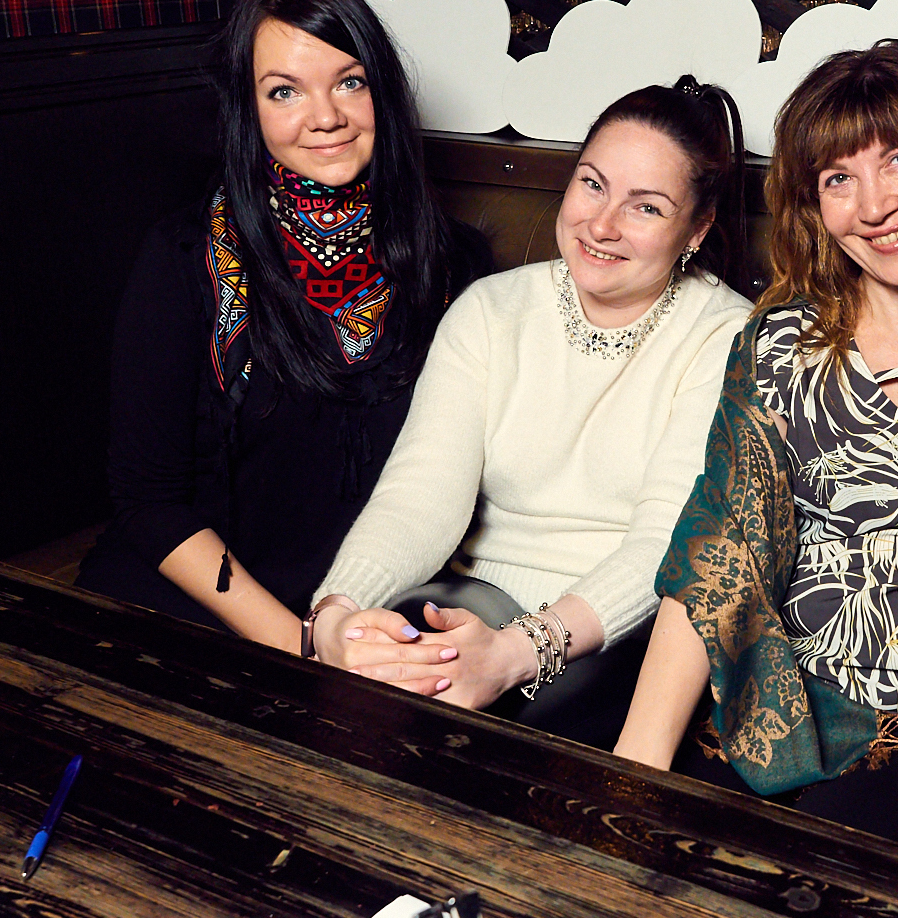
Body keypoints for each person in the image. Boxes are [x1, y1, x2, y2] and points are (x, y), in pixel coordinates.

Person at [614, 42, 898, 861]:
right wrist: (633, 770)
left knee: (802, 877)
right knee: (648, 855)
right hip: (790, 701)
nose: (874, 205)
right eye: (838, 178)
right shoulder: (782, 346)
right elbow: (720, 551)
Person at [303, 78, 754, 749]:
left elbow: (666, 549)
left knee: (471, 740)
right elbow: (419, 500)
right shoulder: (491, 311)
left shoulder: (727, 336)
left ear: (697, 229)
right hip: (467, 607)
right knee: (372, 684)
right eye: (593, 185)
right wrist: (338, 615)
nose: (602, 225)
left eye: (646, 207)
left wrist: (515, 653)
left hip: (616, 635)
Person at [79, 0, 490, 648]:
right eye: (285, 91)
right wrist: (298, 645)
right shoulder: (185, 258)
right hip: (198, 606)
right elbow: (147, 500)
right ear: (249, 108)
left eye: (350, 82)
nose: (325, 116)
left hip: (373, 608)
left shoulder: (454, 266)